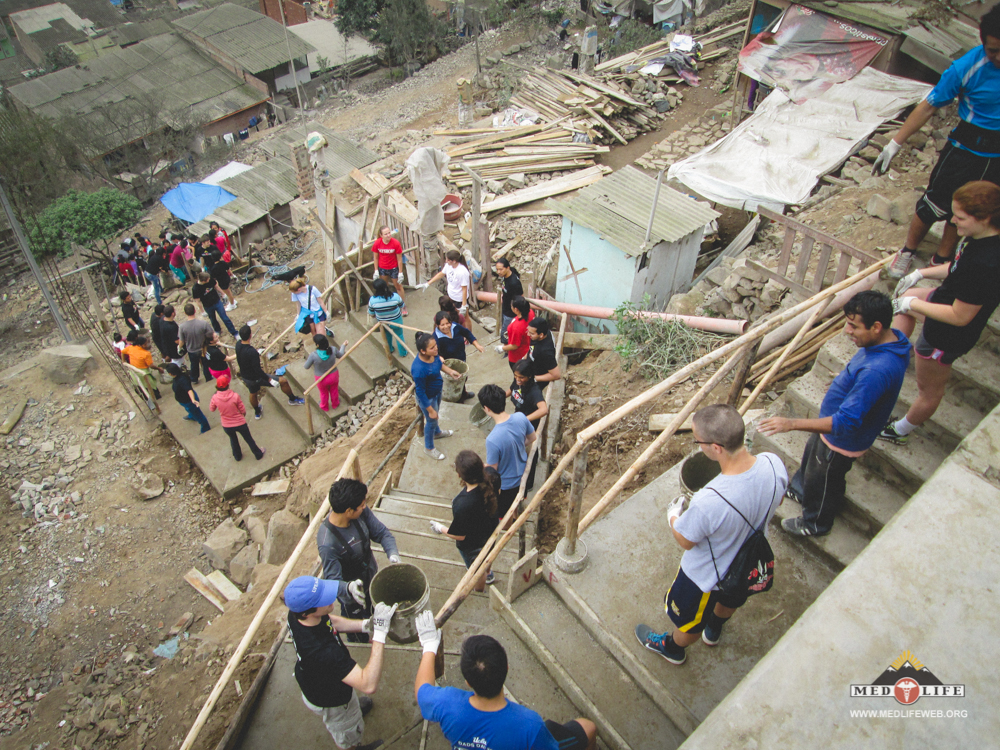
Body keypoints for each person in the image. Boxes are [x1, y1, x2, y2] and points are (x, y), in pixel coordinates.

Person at [635, 404, 787, 665]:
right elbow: (779, 499)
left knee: (690, 623)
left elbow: (686, 540)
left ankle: (672, 647)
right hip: (746, 563)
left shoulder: (710, 499)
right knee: (732, 597)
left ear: (716, 448)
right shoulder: (774, 464)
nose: (698, 445)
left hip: (706, 578)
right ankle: (715, 628)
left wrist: (673, 516)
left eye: (698, 440)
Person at [758, 291, 910, 536]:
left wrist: (791, 423)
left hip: (841, 440)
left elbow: (845, 422)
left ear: (876, 327)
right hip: (830, 431)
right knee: (811, 455)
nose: (847, 331)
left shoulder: (876, 371)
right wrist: (846, 384)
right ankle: (800, 488)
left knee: (825, 477)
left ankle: (815, 522)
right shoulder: (891, 341)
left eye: (853, 326)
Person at [873, 5, 1000, 277]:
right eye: (993, 51)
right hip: (966, 148)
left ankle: (942, 257)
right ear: (983, 43)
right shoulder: (966, 69)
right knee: (936, 202)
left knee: (974, 208)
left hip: (997, 154)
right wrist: (895, 143)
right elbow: (929, 106)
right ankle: (907, 250)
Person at [880, 181, 1000, 445]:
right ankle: (890, 356)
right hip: (945, 298)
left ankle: (899, 429)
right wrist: (921, 273)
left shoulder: (986, 265)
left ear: (985, 218)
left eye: (960, 217)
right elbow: (956, 270)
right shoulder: (977, 237)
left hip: (946, 335)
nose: (953, 222)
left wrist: (912, 307)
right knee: (909, 296)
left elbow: (960, 316)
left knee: (929, 391)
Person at [413, 619, 598, 750]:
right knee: (588, 727)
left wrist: (429, 645)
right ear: (507, 669)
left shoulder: (446, 704)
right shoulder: (529, 724)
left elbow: (422, 690)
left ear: (468, 682)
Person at [283, 575, 394, 750]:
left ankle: (353, 712)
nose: (331, 599)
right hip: (333, 699)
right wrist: (380, 633)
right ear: (307, 612)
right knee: (348, 733)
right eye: (322, 599)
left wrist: (367, 625)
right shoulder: (324, 652)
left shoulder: (297, 614)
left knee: (351, 708)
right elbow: (368, 684)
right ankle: (353, 742)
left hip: (313, 679)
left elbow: (330, 621)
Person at [317, 478, 401, 642]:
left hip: (369, 573)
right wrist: (349, 588)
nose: (365, 507)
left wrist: (393, 554)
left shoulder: (361, 512)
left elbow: (382, 533)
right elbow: (332, 580)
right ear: (348, 511)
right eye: (361, 505)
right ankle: (359, 639)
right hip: (352, 592)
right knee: (355, 619)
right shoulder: (328, 543)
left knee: (372, 604)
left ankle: (371, 621)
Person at [430, 450, 500, 591]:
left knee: (476, 569)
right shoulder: (493, 475)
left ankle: (479, 589)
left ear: (459, 475)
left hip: (473, 545)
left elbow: (460, 535)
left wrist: (440, 528)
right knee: (488, 555)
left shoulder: (462, 504)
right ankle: (489, 573)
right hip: (492, 531)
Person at [479, 384, 536, 518]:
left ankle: (509, 524)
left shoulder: (492, 439)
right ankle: (516, 515)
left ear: (486, 409)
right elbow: (532, 437)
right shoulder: (520, 417)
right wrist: (518, 446)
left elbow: (493, 471)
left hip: (507, 484)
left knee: (504, 513)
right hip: (523, 473)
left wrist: (481, 466)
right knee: (516, 502)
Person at [235, 324, 305, 419]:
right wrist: (269, 379)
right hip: (256, 378)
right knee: (283, 381)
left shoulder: (238, 345)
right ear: (250, 335)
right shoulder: (252, 352)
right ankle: (292, 399)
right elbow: (258, 370)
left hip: (246, 376)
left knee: (253, 393)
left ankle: (257, 412)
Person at [411, 332, 462, 461]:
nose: (436, 349)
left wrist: (450, 371)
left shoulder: (433, 355)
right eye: (432, 348)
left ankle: (437, 432)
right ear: (423, 351)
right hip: (427, 398)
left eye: (435, 346)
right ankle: (428, 448)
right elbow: (420, 392)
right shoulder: (419, 369)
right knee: (431, 420)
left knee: (435, 418)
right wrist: (430, 410)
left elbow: (439, 364)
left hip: (437, 392)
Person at [506, 360, 547, 489]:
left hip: (529, 425)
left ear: (529, 376)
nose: (517, 380)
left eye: (521, 377)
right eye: (515, 376)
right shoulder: (518, 381)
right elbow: (511, 389)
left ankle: (528, 482)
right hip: (518, 417)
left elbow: (544, 409)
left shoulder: (534, 391)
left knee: (530, 451)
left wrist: (524, 419)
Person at [209, 374, 265, 461]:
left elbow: (212, 409)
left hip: (226, 425)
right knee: (248, 439)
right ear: (228, 385)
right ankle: (258, 454)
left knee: (233, 439)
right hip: (240, 423)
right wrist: (243, 415)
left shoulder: (215, 398)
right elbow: (242, 409)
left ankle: (237, 456)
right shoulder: (235, 396)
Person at [417, 251, 471, 326]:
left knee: (463, 318)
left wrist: (464, 305)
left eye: (448, 260)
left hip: (459, 299)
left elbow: (464, 289)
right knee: (454, 316)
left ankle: (468, 335)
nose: (446, 261)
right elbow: (441, 274)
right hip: (451, 296)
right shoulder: (448, 266)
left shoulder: (462, 272)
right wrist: (428, 283)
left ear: (454, 261)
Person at [304, 333, 348, 412]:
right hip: (333, 375)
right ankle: (335, 403)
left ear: (317, 345)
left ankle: (324, 406)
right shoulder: (333, 349)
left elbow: (306, 367)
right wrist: (343, 345)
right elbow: (340, 354)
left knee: (323, 393)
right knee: (334, 390)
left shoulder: (313, 355)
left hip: (321, 378)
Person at [371, 226, 408, 316]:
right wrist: (376, 270)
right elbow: (375, 258)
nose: (388, 235)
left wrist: (400, 272)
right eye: (386, 234)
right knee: (384, 287)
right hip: (382, 268)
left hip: (394, 268)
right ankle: (386, 304)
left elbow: (399, 259)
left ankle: (402, 305)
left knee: (398, 286)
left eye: (389, 233)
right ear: (381, 235)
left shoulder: (395, 243)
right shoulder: (377, 243)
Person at [165, 363, 211, 433]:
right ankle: (192, 416)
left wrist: (193, 400)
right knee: (192, 411)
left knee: (199, 415)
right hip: (184, 401)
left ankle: (205, 428)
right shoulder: (179, 376)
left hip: (189, 402)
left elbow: (189, 390)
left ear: (171, 373)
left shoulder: (182, 380)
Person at [367, 278, 407, 357]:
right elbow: (402, 306)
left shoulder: (372, 300)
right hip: (396, 320)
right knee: (399, 336)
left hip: (383, 322)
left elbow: (371, 314)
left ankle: (390, 349)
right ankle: (403, 353)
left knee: (387, 336)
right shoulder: (395, 296)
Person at [192, 272, 238, 337]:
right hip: (208, 306)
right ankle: (217, 330)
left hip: (217, 302)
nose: (209, 280)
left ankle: (234, 332)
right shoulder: (196, 288)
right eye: (208, 280)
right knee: (213, 319)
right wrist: (202, 311)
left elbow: (216, 286)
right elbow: (198, 300)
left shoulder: (210, 279)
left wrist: (223, 294)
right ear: (203, 281)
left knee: (225, 318)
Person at [179, 303, 216, 384]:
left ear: (185, 313)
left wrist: (179, 348)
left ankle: (194, 378)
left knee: (194, 364)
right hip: (203, 348)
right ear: (195, 311)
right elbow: (211, 334)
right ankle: (208, 377)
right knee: (205, 363)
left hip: (191, 349)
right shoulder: (203, 323)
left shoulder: (182, 327)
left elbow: (181, 341)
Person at [496, 297, 534, 371]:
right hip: (528, 349)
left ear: (516, 309)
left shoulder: (517, 326)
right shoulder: (531, 313)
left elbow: (515, 345)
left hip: (517, 357)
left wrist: (502, 348)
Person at [526, 317, 561, 391]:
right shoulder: (545, 332)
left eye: (531, 333)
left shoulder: (545, 352)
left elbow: (556, 375)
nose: (528, 334)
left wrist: (534, 378)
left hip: (536, 380)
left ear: (541, 335)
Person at [121, 336, 161, 400]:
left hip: (134, 371)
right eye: (145, 344)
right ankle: (156, 396)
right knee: (151, 384)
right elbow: (151, 366)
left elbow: (122, 352)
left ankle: (148, 398)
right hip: (143, 372)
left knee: (140, 385)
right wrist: (159, 369)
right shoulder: (146, 353)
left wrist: (123, 361)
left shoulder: (130, 348)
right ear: (139, 345)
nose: (146, 345)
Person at [494, 259, 523, 345]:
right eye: (497, 269)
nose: (498, 272)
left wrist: (516, 312)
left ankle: (507, 350)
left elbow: (521, 298)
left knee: (505, 334)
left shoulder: (514, 283)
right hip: (505, 309)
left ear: (507, 268)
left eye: (501, 269)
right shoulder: (505, 277)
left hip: (511, 313)